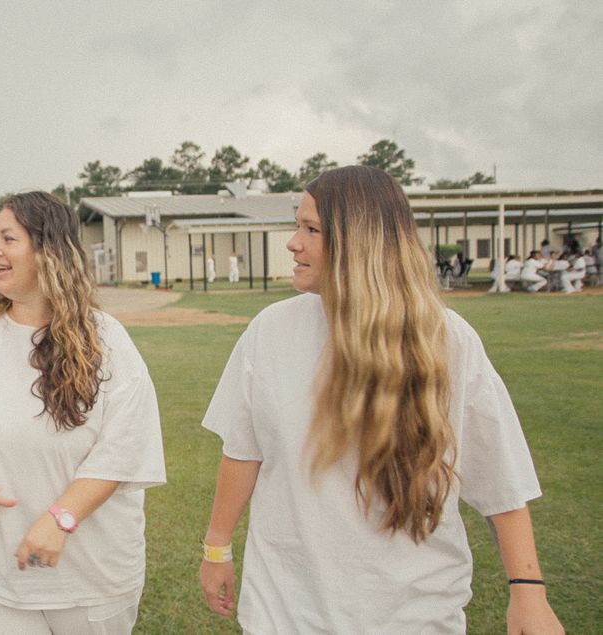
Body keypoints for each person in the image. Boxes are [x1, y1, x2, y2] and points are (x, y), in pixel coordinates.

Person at [196, 166, 563, 633]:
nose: (294, 242)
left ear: (359, 242)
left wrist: (528, 592)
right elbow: (243, 450)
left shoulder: (447, 341)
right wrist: (217, 547)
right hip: (287, 608)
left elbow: (501, 479)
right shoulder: (270, 332)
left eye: (312, 229)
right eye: (298, 226)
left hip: (413, 613)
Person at [0, 191, 166, 634]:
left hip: (90, 578)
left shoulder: (107, 341)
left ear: (49, 251)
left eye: (8, 238)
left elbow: (125, 447)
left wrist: (60, 519)